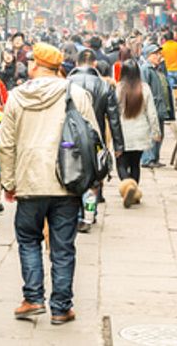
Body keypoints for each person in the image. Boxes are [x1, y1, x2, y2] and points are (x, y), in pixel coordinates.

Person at [0, 43, 100, 326]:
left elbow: (6, 144)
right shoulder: (77, 94)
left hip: (29, 182)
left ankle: (32, 298)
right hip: (66, 182)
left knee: (29, 241)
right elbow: (91, 137)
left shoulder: (16, 97)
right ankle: (60, 307)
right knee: (63, 247)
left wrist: (9, 182)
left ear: (34, 66)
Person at [67, 48, 125, 233]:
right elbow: (114, 118)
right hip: (96, 138)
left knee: (72, 175)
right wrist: (118, 145)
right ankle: (89, 215)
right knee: (93, 181)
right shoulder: (104, 85)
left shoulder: (66, 83)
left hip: (70, 138)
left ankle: (74, 214)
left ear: (76, 64)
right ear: (94, 64)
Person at [116, 59, 160, 208]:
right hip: (140, 133)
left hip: (123, 133)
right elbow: (152, 113)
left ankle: (128, 187)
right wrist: (156, 132)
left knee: (121, 163)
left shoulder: (118, 89)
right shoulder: (145, 88)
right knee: (135, 164)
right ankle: (133, 192)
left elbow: (113, 113)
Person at [139, 44, 169, 168]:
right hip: (152, 106)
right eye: (155, 54)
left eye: (159, 54)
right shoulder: (146, 69)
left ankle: (155, 157)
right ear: (148, 56)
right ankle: (148, 159)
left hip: (160, 106)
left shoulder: (157, 69)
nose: (158, 56)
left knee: (159, 133)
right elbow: (144, 89)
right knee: (152, 133)